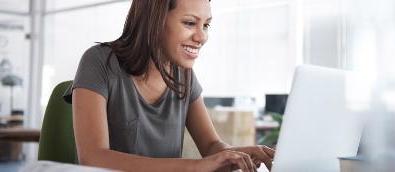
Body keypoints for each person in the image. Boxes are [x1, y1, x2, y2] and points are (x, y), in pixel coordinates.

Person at [66, 0, 275, 171]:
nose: (202, 37)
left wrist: (241, 154)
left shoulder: (185, 75)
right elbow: (93, 158)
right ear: (154, 21)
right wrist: (194, 167)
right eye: (190, 23)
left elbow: (211, 146)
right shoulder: (99, 62)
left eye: (206, 25)